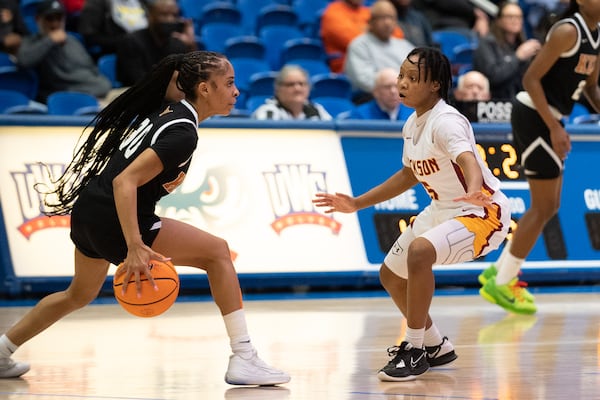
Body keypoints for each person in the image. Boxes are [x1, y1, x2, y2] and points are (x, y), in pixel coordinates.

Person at [0, 50, 290, 386]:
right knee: (218, 253)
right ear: (204, 89)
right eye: (228, 83)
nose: (236, 91)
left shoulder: (171, 109)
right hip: (114, 216)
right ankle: (244, 357)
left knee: (77, 294)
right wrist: (135, 245)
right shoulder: (183, 132)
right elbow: (126, 182)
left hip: (89, 210)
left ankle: (2, 350)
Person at [313, 47, 511, 381]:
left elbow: (468, 161)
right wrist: (357, 202)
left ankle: (414, 348)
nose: (402, 83)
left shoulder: (446, 122)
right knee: (391, 276)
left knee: (420, 253)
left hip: (481, 212)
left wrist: (475, 188)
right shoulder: (412, 122)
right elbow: (409, 174)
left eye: (412, 78)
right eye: (401, 75)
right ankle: (436, 345)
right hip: (442, 210)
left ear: (434, 85)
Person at [479, 0, 600, 314]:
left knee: (550, 205)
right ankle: (502, 283)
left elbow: (592, 87)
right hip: (534, 114)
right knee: (544, 205)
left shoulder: (595, 35)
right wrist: (554, 128)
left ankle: (500, 271)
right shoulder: (566, 30)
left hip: (550, 117)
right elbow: (530, 79)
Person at [15, 0, 112, 103]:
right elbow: (23, 61)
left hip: (99, 91)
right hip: (72, 98)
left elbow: (90, 68)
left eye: (59, 18)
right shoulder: (32, 42)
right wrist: (50, 40)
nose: (55, 24)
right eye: (50, 19)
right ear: (38, 19)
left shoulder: (73, 40)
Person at [116, 0, 197, 87]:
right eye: (164, 14)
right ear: (150, 16)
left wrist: (190, 45)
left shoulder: (176, 43)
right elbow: (137, 81)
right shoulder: (131, 42)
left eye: (174, 15)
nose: (170, 19)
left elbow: (191, 76)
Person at [344, 0, 415, 99]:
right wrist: (397, 87)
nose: (387, 22)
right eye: (382, 18)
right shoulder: (359, 45)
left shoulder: (404, 45)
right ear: (371, 21)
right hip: (372, 99)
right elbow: (363, 80)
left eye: (391, 18)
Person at [473, 2, 541, 100]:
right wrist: (518, 57)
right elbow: (493, 77)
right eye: (510, 16)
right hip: (495, 100)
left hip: (519, 98)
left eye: (519, 17)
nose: (515, 20)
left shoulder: (521, 44)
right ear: (499, 20)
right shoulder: (487, 43)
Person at [320, 0, 405, 73]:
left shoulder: (366, 12)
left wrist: (370, 30)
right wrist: (376, 31)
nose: (387, 23)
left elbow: (398, 36)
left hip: (381, 63)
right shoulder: (333, 12)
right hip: (348, 69)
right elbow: (354, 41)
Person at [251, 64, 332, 120]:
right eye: (290, 84)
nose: (297, 89)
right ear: (278, 89)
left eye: (302, 84)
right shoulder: (268, 113)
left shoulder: (317, 110)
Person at [78, 0, 149, 59]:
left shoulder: (142, 2)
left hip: (144, 48)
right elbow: (89, 36)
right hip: (117, 52)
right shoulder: (96, 3)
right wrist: (125, 42)